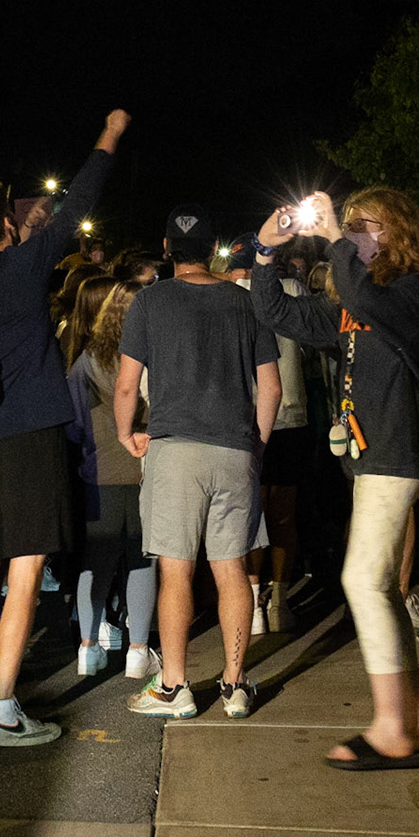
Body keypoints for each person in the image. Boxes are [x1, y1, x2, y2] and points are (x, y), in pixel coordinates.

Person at [0, 110, 129, 747]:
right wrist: (109, 133)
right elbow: (83, 196)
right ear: (4, 225)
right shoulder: (27, 267)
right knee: (25, 569)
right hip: (30, 432)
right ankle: (2, 706)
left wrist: (22, 230)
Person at [251, 190, 419, 766]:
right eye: (348, 222)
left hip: (396, 450)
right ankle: (418, 725)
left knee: (360, 580)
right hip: (368, 454)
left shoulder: (410, 293)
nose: (353, 230)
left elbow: (364, 296)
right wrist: (264, 252)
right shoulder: (352, 300)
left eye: (365, 224)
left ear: (397, 232)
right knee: (378, 584)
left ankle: (391, 729)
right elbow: (276, 312)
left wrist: (335, 237)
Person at [119, 204, 280, 720]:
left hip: (174, 448)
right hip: (233, 446)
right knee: (232, 569)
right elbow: (270, 387)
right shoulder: (246, 303)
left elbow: (127, 384)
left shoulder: (149, 302)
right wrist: (256, 443)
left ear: (167, 249)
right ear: (214, 251)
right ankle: (234, 686)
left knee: (176, 572)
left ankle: (174, 687)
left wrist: (127, 433)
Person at [67, 280, 157, 678]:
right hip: (144, 469)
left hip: (98, 473)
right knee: (142, 560)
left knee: (96, 562)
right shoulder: (154, 357)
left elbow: (72, 425)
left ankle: (88, 646)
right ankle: (138, 649)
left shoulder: (86, 363)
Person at [225, 236, 311, 633]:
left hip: (245, 415)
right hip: (291, 413)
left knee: (248, 515)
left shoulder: (227, 298)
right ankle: (279, 599)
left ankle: (254, 601)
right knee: (284, 515)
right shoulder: (292, 289)